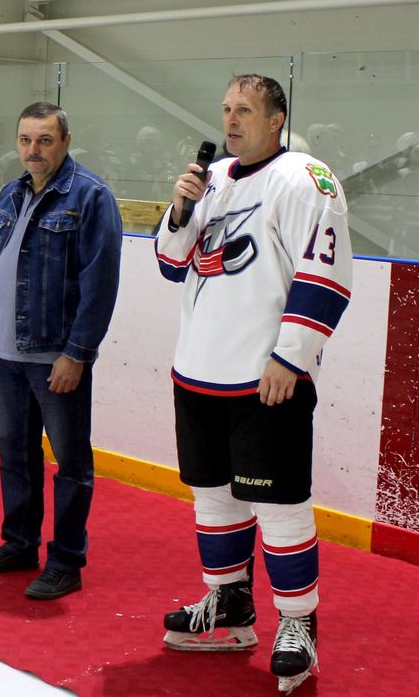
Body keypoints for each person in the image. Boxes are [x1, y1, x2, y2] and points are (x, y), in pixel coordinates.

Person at [154, 74, 352, 694]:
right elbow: (170, 263)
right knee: (213, 496)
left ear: (276, 119)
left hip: (266, 379)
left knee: (280, 505)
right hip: (198, 371)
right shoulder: (211, 179)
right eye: (226, 109)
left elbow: (327, 273)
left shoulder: (305, 179)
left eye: (245, 109)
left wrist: (290, 358)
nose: (231, 120)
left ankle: (298, 623)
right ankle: (230, 604)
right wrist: (180, 209)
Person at [0, 102, 122, 600]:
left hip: (57, 357)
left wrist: (77, 353)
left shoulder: (91, 196)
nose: (33, 150)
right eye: (26, 140)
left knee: (71, 464)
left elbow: (100, 285)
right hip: (9, 356)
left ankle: (66, 562)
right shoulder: (11, 194)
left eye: (45, 140)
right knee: (15, 455)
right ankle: (19, 544)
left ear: (66, 141)